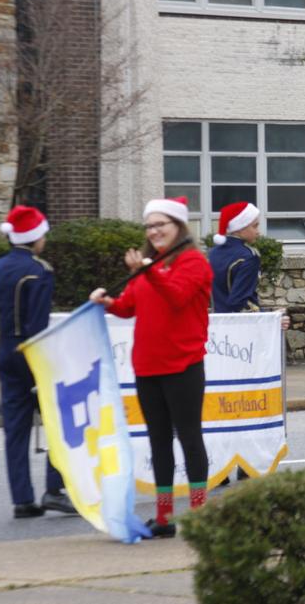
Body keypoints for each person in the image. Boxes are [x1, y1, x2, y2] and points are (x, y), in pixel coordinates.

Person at [90, 196, 213, 538]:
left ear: (179, 226)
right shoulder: (148, 267)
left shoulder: (194, 263)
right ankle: (163, 516)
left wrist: (146, 271)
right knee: (158, 441)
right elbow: (129, 306)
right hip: (147, 367)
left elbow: (176, 296)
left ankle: (200, 512)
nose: (154, 231)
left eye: (161, 224)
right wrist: (107, 302)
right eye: (149, 226)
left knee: (189, 437)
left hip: (183, 364)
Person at [0, 206, 76, 518]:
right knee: (57, 420)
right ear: (35, 237)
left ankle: (22, 499)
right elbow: (38, 324)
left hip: (7, 351)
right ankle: (54, 488)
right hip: (36, 354)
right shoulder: (40, 270)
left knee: (16, 428)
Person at [208, 202, 289, 486]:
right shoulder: (248, 256)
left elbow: (219, 301)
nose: (258, 230)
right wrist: (269, 319)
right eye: (254, 225)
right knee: (249, 403)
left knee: (222, 404)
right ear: (240, 228)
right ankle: (247, 464)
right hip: (245, 340)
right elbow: (240, 303)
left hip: (218, 338)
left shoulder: (213, 254)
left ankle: (218, 468)